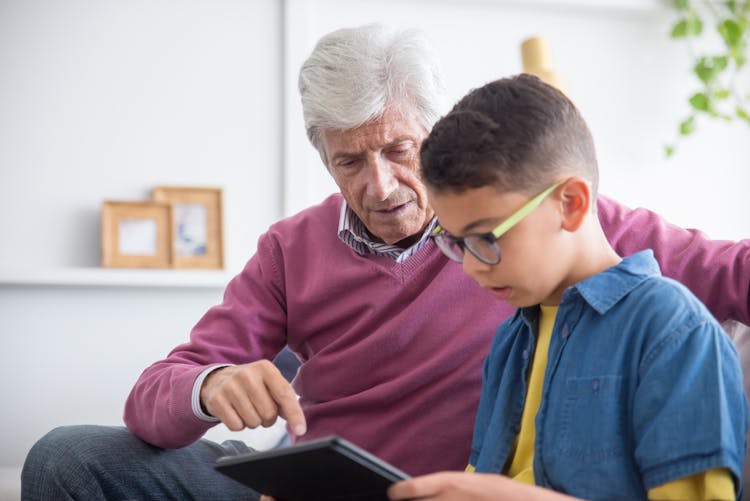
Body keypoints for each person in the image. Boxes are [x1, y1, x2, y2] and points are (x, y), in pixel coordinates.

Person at [21, 23, 750, 501]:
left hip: (441, 489)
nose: (380, 184)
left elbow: (724, 273)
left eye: (401, 151)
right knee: (68, 457)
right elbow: (156, 391)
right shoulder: (289, 248)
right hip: (310, 484)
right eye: (348, 160)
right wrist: (211, 387)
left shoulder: (553, 223)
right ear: (325, 160)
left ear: (434, 135)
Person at [389, 73, 748, 500]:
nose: (469, 266)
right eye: (456, 242)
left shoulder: (673, 332)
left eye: (486, 238)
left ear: (572, 204)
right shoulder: (511, 340)